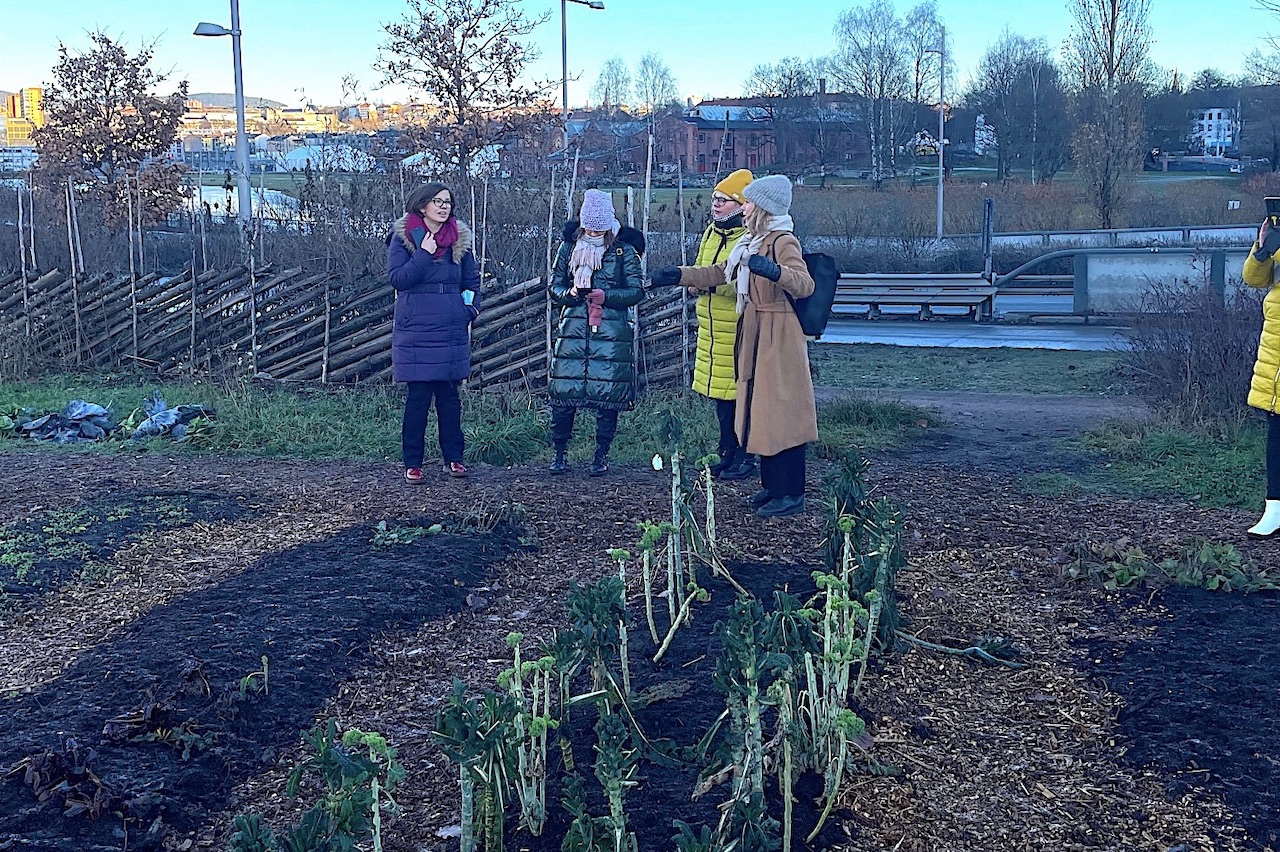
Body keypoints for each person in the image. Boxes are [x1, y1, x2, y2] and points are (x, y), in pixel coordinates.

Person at [650, 174, 816, 517]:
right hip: (755, 329)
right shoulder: (751, 242)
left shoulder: (782, 240)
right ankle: (772, 487)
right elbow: (718, 273)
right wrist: (678, 275)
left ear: (764, 207)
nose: (746, 206)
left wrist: (774, 271)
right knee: (761, 410)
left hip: (779, 334)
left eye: (750, 201)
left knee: (781, 414)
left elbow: (804, 284)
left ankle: (791, 493)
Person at [547, 189, 647, 476]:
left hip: (611, 335)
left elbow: (637, 291)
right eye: (589, 227)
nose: (593, 233)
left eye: (598, 228)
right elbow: (554, 286)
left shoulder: (624, 251)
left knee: (607, 398)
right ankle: (559, 453)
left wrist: (607, 296)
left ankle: (601, 455)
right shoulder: (568, 248)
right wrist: (570, 293)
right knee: (564, 396)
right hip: (573, 330)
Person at [387, 182, 480, 482]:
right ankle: (413, 462)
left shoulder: (459, 239)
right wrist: (424, 254)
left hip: (450, 327)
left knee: (449, 397)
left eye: (448, 202)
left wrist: (468, 309)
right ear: (422, 205)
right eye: (437, 201)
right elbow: (399, 279)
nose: (443, 207)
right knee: (418, 398)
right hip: (416, 328)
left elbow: (471, 282)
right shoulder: (404, 238)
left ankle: (454, 458)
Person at [690, 169, 756, 480]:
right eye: (714, 198)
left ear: (741, 205)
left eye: (724, 200)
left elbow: (739, 282)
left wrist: (706, 283)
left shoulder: (749, 238)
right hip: (712, 327)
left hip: (736, 326)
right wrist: (693, 282)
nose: (716, 204)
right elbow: (702, 268)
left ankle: (746, 455)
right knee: (721, 397)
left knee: (740, 395)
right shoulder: (711, 233)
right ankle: (727, 451)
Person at [1241, 212, 1280, 536]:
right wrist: (1264, 249)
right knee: (1277, 433)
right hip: (1276, 351)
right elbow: (1253, 279)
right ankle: (1275, 510)